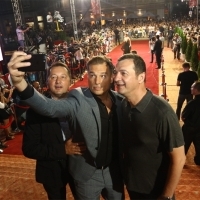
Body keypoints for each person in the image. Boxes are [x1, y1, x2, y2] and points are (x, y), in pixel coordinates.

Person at [7, 51, 125, 200]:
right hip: (70, 173)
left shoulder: (120, 102)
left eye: (103, 75)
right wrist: (19, 83)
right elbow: (47, 107)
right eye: (92, 75)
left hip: (109, 172)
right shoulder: (77, 100)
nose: (97, 81)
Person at [114, 54, 186, 200]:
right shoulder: (124, 105)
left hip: (156, 192)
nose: (116, 78)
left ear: (141, 77)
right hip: (134, 187)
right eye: (116, 72)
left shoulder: (162, 112)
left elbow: (179, 158)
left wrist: (166, 196)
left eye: (123, 73)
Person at [22, 62, 85, 200]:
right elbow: (29, 148)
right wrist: (63, 149)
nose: (58, 81)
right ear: (47, 80)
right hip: (51, 170)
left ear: (70, 80)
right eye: (53, 77)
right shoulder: (35, 112)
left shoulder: (80, 104)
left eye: (63, 77)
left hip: (80, 166)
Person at [181, 81, 200, 165]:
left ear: (197, 90)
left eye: (192, 87)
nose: (191, 89)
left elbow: (183, 116)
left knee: (183, 147)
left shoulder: (192, 103)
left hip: (189, 129)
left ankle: (180, 162)